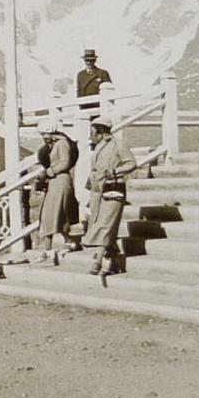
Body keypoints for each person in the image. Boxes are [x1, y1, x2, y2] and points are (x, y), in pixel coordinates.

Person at [84, 116, 137, 281]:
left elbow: (131, 163)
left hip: (113, 188)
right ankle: (113, 261)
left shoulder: (118, 144)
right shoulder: (97, 147)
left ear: (101, 131)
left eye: (92, 132)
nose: (90, 135)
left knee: (105, 224)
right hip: (97, 191)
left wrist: (115, 172)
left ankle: (98, 260)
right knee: (101, 223)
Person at [35, 123, 79, 267]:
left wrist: (49, 172)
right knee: (55, 215)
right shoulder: (53, 145)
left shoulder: (62, 143)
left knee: (51, 215)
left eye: (45, 134)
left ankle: (48, 252)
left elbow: (65, 163)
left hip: (61, 181)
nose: (44, 137)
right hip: (55, 182)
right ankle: (69, 242)